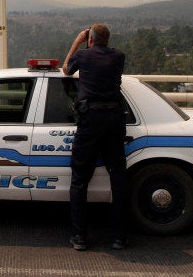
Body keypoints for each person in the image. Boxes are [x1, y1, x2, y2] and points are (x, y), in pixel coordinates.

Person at [62, 23, 128, 251]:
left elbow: (66, 70)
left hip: (90, 120)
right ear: (108, 40)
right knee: (118, 179)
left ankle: (79, 237)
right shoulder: (119, 57)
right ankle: (119, 237)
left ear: (89, 39)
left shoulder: (83, 55)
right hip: (114, 119)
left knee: (80, 179)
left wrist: (77, 42)